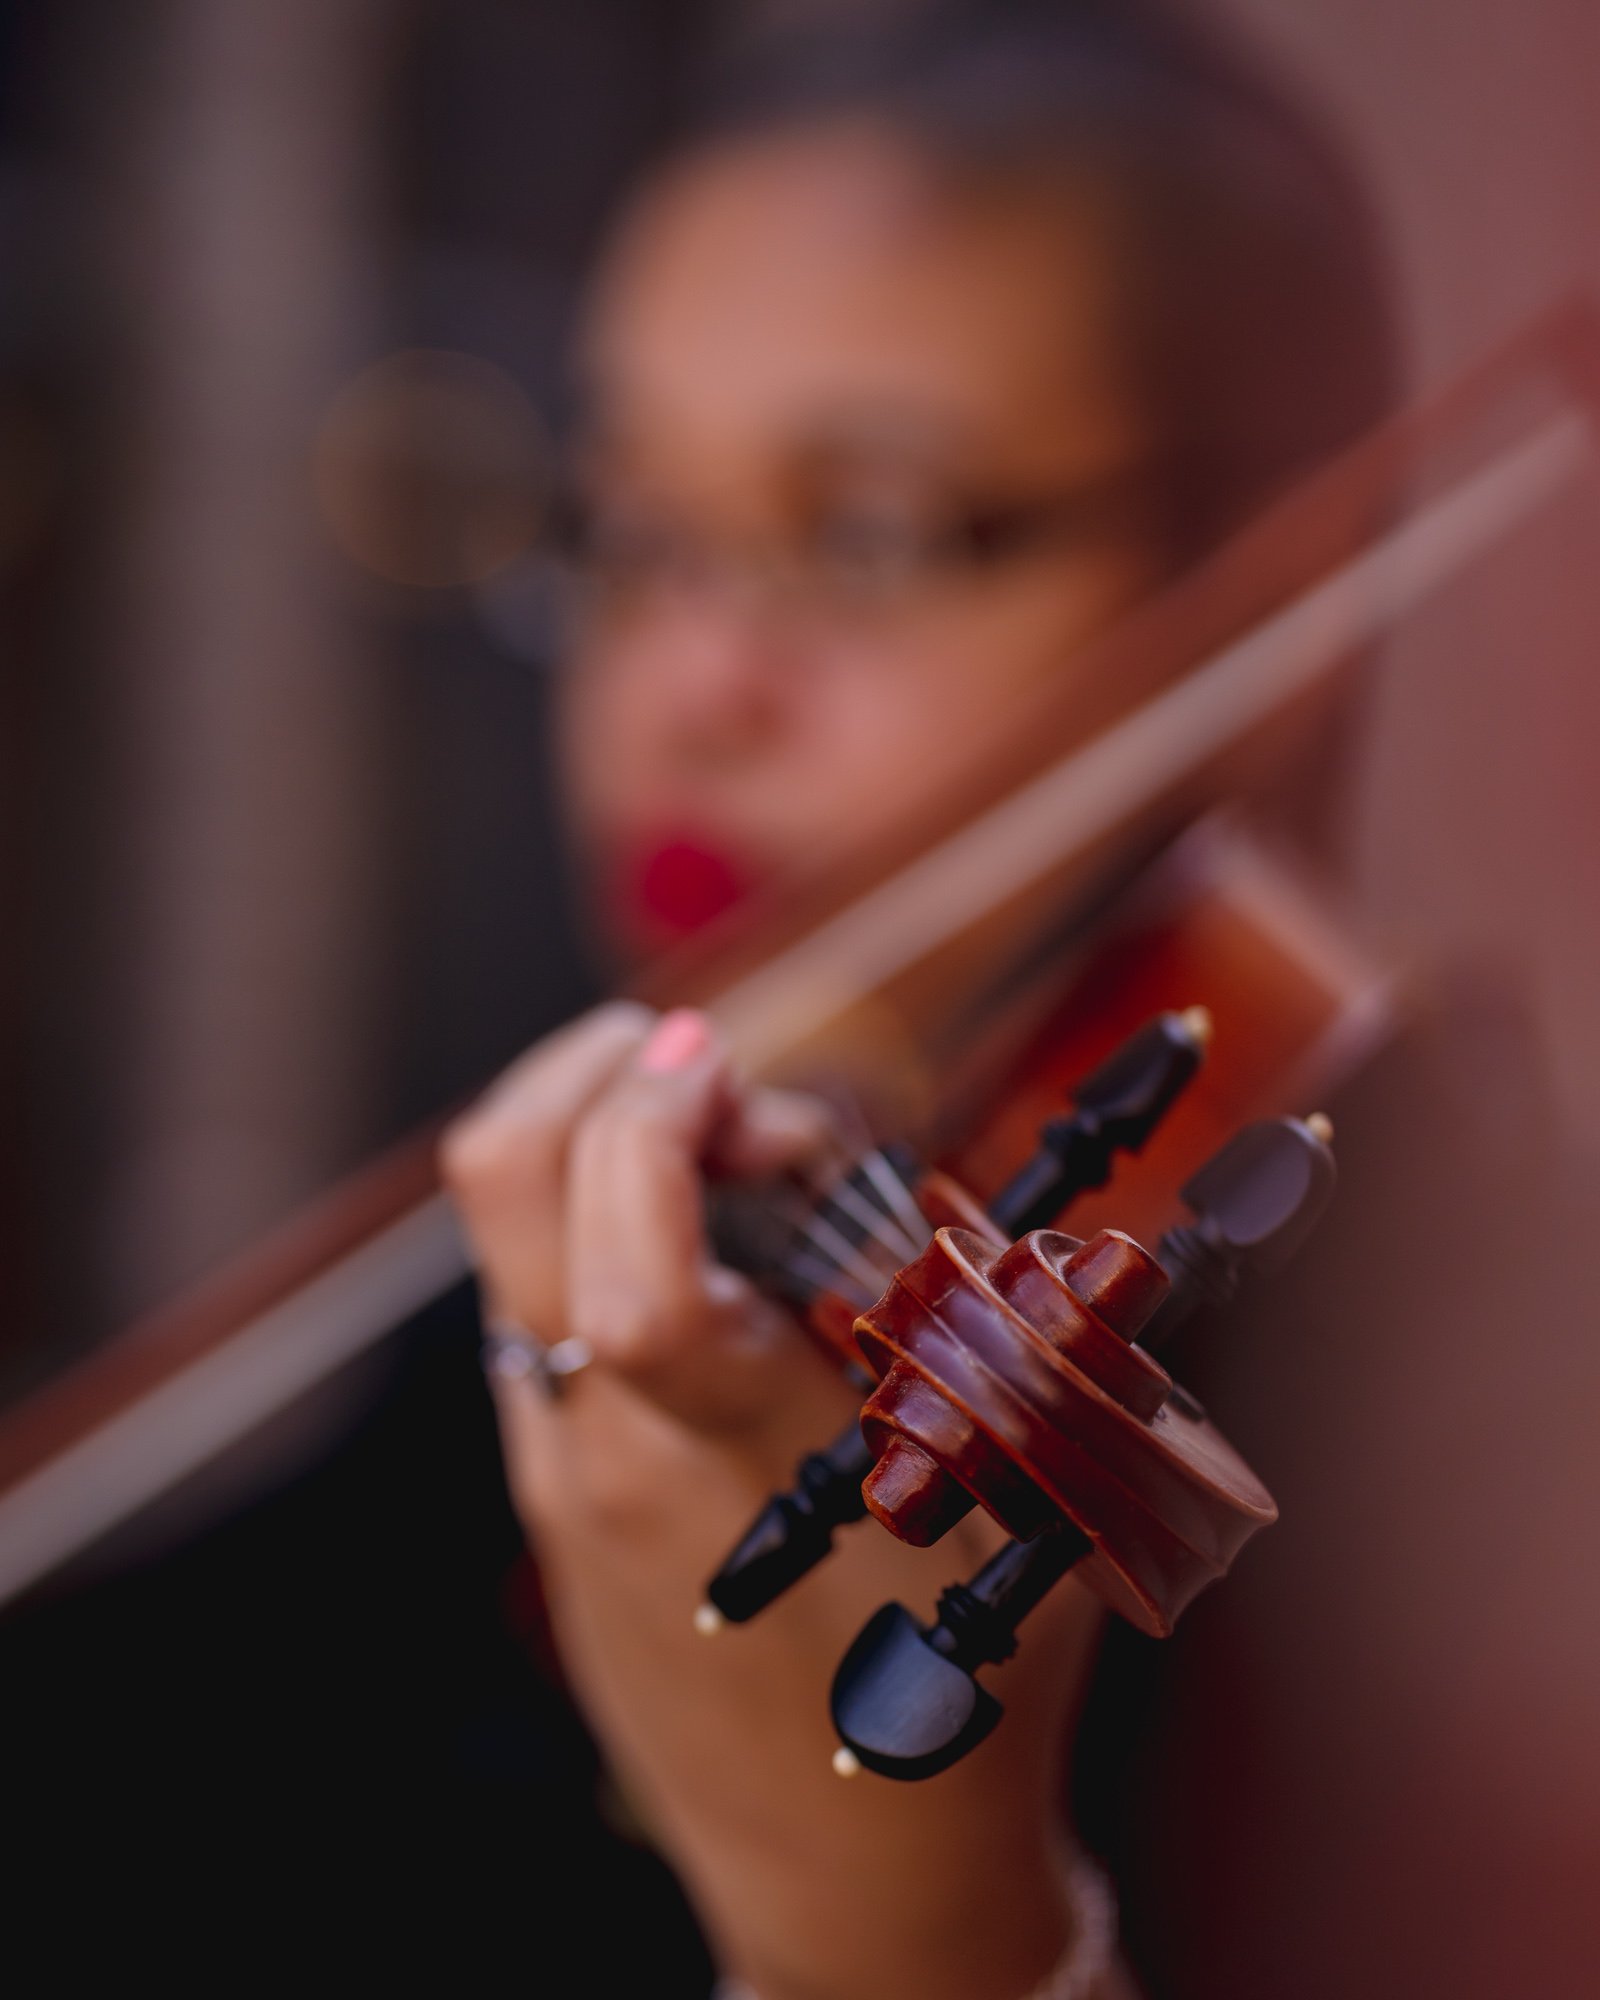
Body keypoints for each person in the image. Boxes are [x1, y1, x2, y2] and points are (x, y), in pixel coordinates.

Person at [441, 7, 1407, 1998]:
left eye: (866, 536)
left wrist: (926, 1948)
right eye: (633, 530)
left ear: (1274, 604)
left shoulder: (1477, 1455)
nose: (691, 678)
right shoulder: (578, 1258)